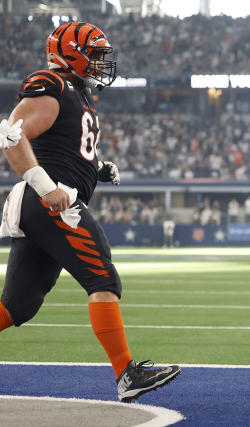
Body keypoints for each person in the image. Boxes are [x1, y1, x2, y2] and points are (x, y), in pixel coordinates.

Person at [0, 22, 180, 403]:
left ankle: (127, 374)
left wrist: (96, 168)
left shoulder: (75, 92)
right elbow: (11, 135)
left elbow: (63, 147)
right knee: (102, 276)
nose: (101, 63)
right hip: (52, 202)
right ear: (71, 52)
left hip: (48, 202)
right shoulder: (52, 84)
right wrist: (47, 187)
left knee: (19, 305)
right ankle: (127, 374)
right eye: (95, 54)